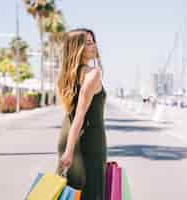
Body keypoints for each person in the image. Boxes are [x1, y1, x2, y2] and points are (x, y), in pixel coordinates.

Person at [56, 28, 107, 200]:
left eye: (93, 41)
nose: (94, 46)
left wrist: (68, 148)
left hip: (67, 134)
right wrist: (70, 151)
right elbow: (80, 114)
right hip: (88, 139)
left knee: (68, 192)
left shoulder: (67, 76)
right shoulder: (93, 74)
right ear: (77, 48)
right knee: (91, 192)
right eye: (88, 43)